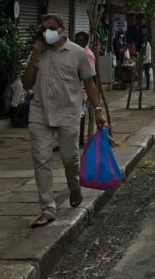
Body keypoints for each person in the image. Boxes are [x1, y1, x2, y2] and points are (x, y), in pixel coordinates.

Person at [22, 13, 104, 229]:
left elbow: (89, 83)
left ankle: (74, 186)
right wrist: (33, 56)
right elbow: (26, 83)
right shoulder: (39, 53)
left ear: (62, 30)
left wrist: (98, 110)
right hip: (39, 113)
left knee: (70, 158)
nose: (46, 32)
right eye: (44, 28)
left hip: (68, 113)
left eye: (51, 28)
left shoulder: (77, 53)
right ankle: (47, 208)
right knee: (41, 159)